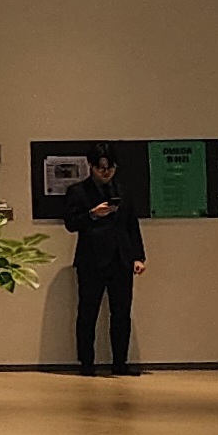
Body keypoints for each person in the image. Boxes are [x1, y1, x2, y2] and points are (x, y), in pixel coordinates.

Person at [56, 151, 148, 374]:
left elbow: (132, 225)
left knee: (122, 314)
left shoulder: (123, 191)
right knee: (88, 313)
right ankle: (86, 363)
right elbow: (70, 224)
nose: (106, 173)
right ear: (91, 166)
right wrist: (93, 214)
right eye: (100, 168)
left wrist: (138, 256)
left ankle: (120, 363)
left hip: (121, 259)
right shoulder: (78, 191)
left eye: (110, 168)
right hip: (91, 260)